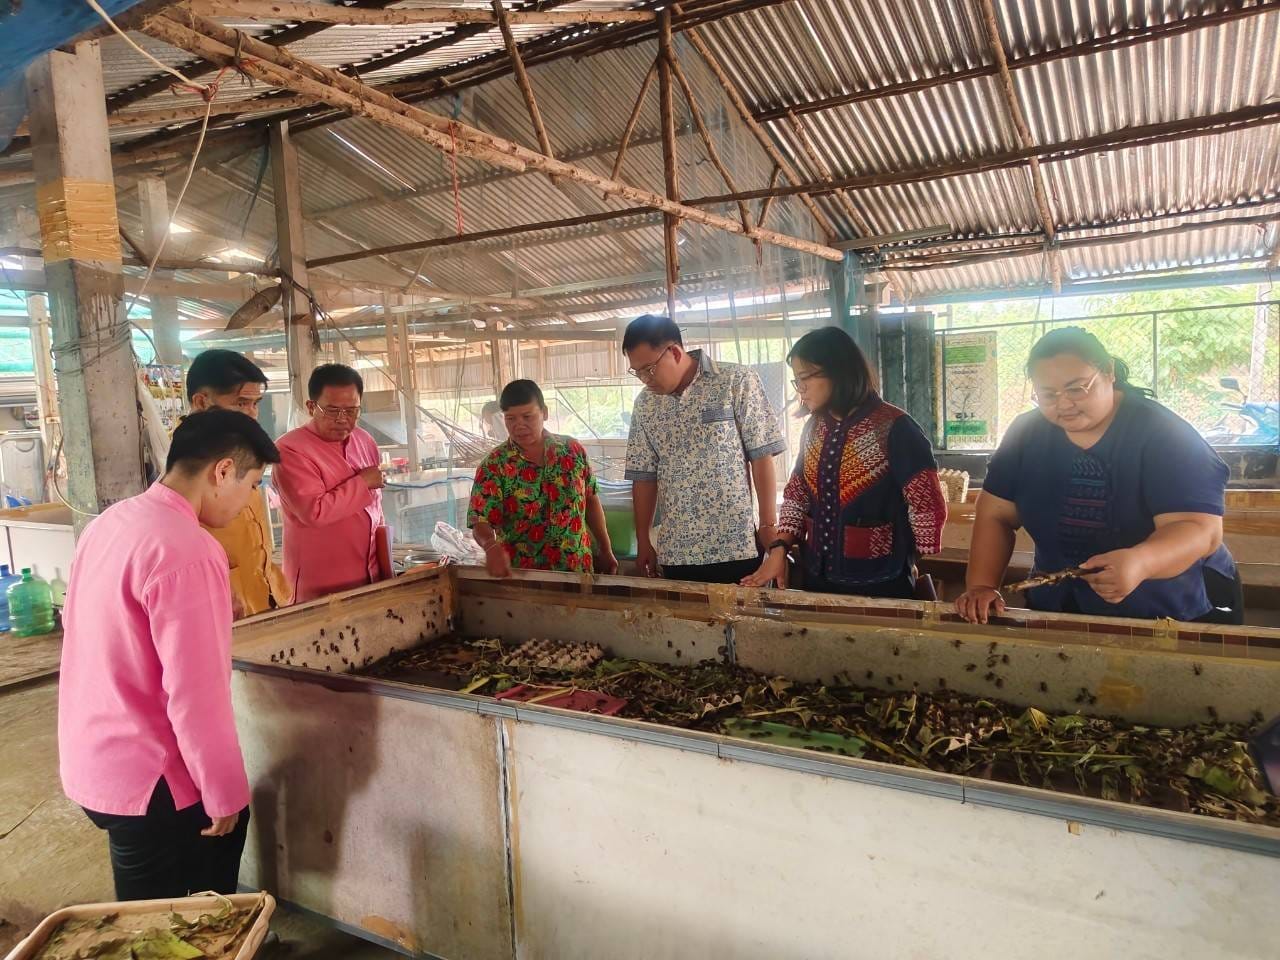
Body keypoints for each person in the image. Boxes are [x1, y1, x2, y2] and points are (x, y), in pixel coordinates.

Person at [59, 409, 280, 900]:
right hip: (154, 779)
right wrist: (224, 792)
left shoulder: (111, 522)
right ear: (223, 471)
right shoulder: (189, 549)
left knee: (143, 907)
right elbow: (196, 696)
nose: (249, 501)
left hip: (94, 760)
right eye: (252, 485)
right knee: (186, 920)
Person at [956, 327, 1240, 625]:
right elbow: (996, 513)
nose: (1063, 404)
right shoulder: (1026, 434)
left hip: (1175, 609)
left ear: (1109, 372)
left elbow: (1200, 530)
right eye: (1048, 394)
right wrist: (982, 585)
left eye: (1077, 389)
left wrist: (1142, 562)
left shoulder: (1164, 434)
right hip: (1060, 605)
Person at [741, 327, 947, 597]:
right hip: (817, 579)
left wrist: (906, 556)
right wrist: (780, 548)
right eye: (796, 380)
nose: (800, 388)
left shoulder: (894, 427)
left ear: (838, 372)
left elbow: (927, 504)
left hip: (882, 584)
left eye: (804, 377)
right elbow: (797, 495)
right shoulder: (814, 428)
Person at [623, 314, 785, 584]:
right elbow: (644, 477)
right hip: (677, 552)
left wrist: (768, 525)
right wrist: (643, 539)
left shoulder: (735, 381)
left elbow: (761, 455)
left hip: (736, 545)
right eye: (637, 372)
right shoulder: (645, 404)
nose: (644, 379)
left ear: (675, 352)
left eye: (648, 369)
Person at [468, 379, 618, 576]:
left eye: (527, 416)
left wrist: (605, 549)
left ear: (544, 413)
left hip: (577, 570)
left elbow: (590, 499)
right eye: (510, 418)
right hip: (523, 576)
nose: (519, 426)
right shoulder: (494, 465)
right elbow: (480, 520)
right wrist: (490, 546)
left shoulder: (572, 451)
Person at [185, 349, 290, 616]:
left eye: (255, 404)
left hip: (266, 596)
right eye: (241, 403)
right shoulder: (184, 465)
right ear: (201, 402)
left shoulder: (245, 451)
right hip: (224, 607)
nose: (252, 414)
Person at [274, 364, 387, 604]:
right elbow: (314, 512)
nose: (342, 419)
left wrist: (385, 564)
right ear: (311, 407)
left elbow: (376, 509)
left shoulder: (365, 441)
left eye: (351, 411)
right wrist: (362, 482)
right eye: (332, 410)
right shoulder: (291, 450)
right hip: (319, 582)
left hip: (370, 576)